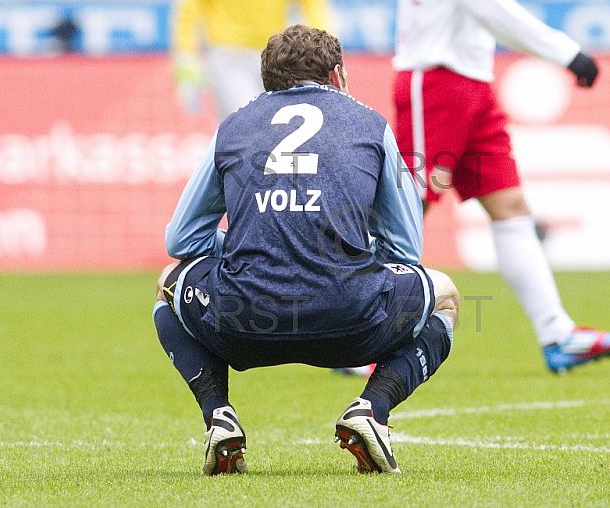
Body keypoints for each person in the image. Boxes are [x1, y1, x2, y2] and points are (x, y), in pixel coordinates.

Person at [153, 25, 459, 475]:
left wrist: (244, 243)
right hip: (351, 323)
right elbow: (405, 249)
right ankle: (372, 408)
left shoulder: (234, 126)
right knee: (446, 294)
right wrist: (346, 243)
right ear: (337, 74)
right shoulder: (371, 125)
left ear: (268, 81)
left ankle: (217, 414)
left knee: (166, 283)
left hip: (244, 322)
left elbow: (180, 242)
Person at [392, 0, 610, 374]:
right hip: (436, 82)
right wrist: (566, 52)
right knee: (410, 204)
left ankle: (557, 334)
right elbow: (490, 7)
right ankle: (352, 332)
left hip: (472, 86)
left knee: (510, 205)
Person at [170, 0, 331, 118]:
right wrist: (186, 54)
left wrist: (324, 53)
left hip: (277, 56)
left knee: (272, 132)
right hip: (228, 56)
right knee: (248, 126)